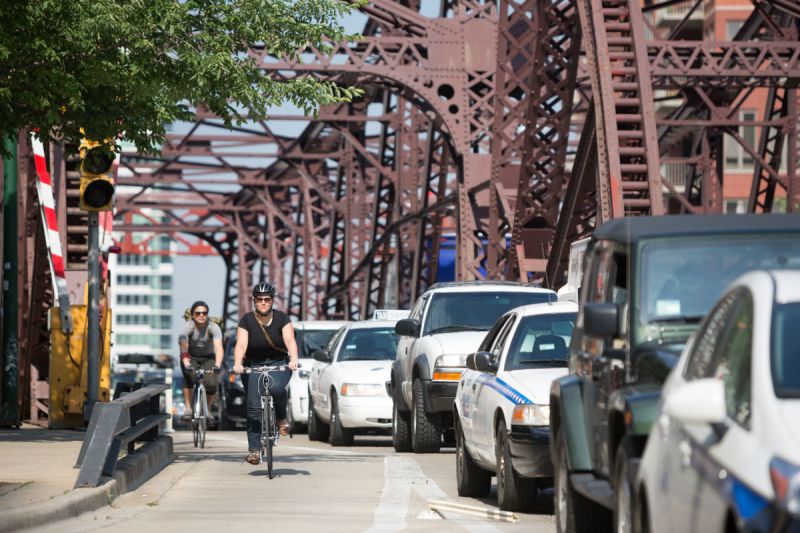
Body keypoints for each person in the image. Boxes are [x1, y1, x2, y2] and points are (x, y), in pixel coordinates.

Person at [233, 281, 299, 465]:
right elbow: (241, 344)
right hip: (253, 365)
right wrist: (238, 363)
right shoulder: (246, 320)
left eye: (267, 300)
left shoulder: (282, 319)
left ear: (272, 301)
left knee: (277, 389)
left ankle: (281, 418)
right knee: (253, 407)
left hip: (278, 363)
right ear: (254, 301)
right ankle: (254, 450)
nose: (263, 303)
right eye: (259, 299)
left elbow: (290, 340)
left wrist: (293, 360)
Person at [178, 300, 224, 420]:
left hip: (208, 358)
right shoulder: (187, 328)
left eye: (204, 313)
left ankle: (207, 409)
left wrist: (218, 365)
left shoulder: (214, 327)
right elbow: (183, 349)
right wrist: (187, 364)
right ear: (193, 315)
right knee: (189, 377)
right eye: (198, 313)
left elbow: (219, 348)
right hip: (190, 356)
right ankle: (188, 408)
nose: (201, 316)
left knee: (212, 384)